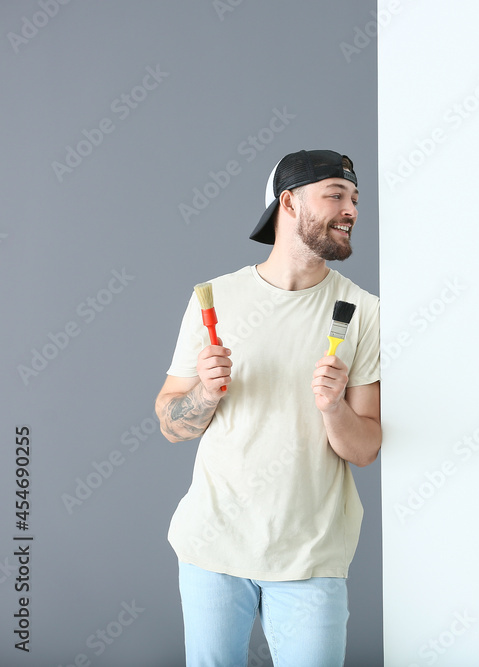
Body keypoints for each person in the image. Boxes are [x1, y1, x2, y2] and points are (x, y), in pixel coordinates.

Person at [154, 149, 381, 667]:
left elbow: (365, 447)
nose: (351, 209)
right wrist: (204, 395)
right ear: (289, 202)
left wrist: (333, 409)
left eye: (355, 199)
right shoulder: (215, 298)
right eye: (336, 195)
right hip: (213, 548)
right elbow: (172, 424)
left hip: (311, 554)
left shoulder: (362, 311)